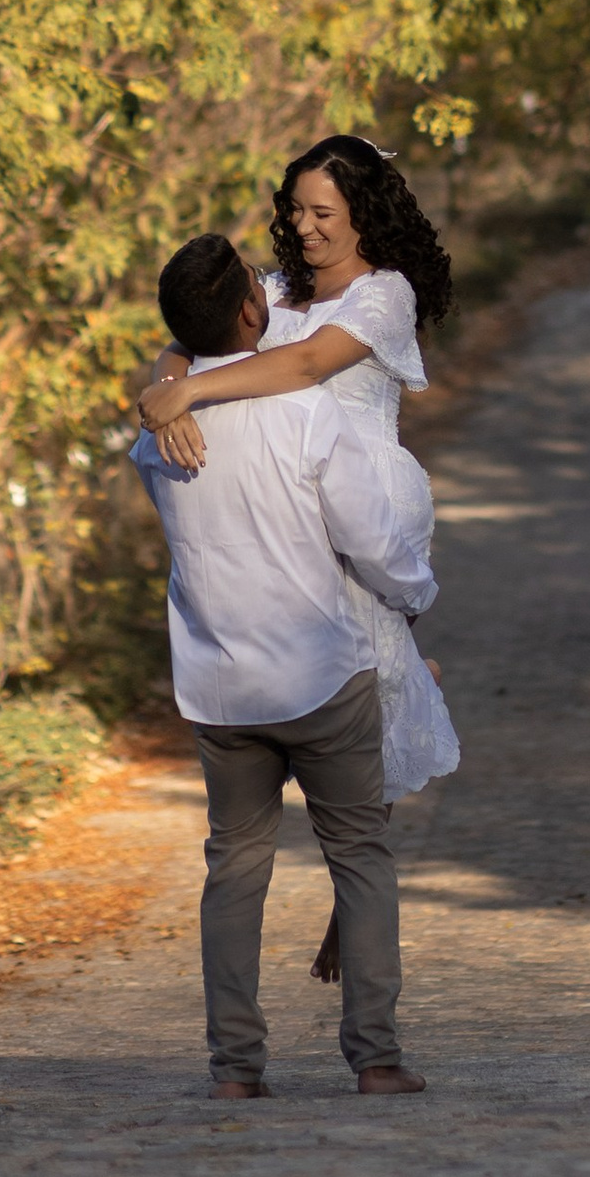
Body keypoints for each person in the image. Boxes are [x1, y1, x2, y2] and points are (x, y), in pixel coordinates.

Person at [133, 229, 436, 1099]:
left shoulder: (162, 434)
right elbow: (372, 540)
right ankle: (374, 1055)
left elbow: (157, 402)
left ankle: (235, 1069)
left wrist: (169, 388)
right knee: (360, 854)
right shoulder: (306, 413)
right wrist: (414, 591)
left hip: (219, 686)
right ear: (250, 311)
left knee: (234, 867)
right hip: (319, 676)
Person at [137, 133, 460, 808]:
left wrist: (191, 392)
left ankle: (359, 893)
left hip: (367, 494)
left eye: (323, 213)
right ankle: (412, 676)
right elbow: (183, 340)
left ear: (363, 215)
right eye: (295, 209)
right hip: (293, 500)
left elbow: (311, 362)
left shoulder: (384, 294)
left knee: (366, 739)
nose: (303, 226)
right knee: (333, 694)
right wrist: (165, 390)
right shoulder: (276, 288)